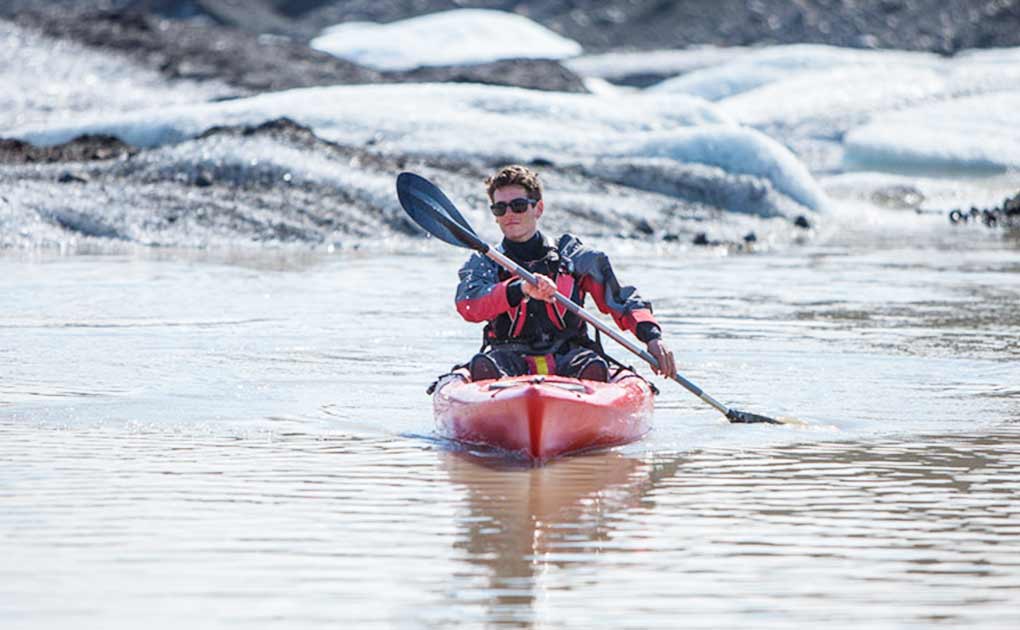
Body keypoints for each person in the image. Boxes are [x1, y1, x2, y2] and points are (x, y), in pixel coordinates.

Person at [455, 164, 677, 383]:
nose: (509, 214)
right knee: (484, 365)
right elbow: (468, 305)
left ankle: (588, 403)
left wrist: (652, 338)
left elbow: (622, 300)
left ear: (538, 208)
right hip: (506, 357)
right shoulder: (485, 262)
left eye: (519, 205)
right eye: (500, 208)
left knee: (593, 365)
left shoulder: (574, 256)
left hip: (571, 356)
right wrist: (519, 289)